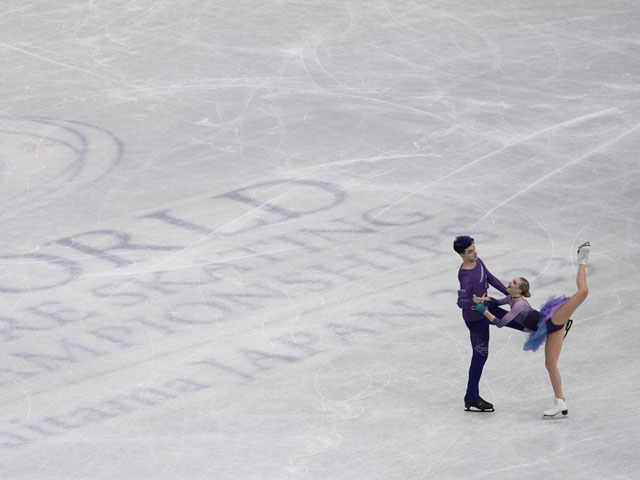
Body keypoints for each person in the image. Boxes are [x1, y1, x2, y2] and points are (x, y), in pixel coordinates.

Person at [471, 241, 591, 417]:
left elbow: (500, 323)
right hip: (552, 329)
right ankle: (560, 401)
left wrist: (484, 311)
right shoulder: (511, 298)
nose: (509, 283)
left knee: (583, 292)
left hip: (553, 320)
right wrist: (486, 300)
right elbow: (498, 302)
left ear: (519, 290)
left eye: (513, 282)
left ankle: (582, 259)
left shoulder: (518, 304)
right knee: (550, 364)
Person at [454, 235, 523, 413]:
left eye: (474, 248)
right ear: (462, 255)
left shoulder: (479, 262)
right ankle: (471, 397)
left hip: (488, 306)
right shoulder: (466, 277)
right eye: (470, 251)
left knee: (516, 320)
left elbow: (490, 278)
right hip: (476, 319)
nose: (474, 252)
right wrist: (473, 301)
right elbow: (461, 302)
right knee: (480, 356)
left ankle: (547, 327)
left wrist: (509, 293)